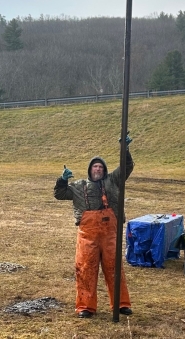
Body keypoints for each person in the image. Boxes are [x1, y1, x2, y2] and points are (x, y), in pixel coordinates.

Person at [53, 135, 134, 319]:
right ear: (90, 170)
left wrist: (125, 149)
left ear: (104, 170)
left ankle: (121, 304)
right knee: (85, 269)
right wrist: (62, 179)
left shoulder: (113, 181)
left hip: (110, 235)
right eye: (95, 166)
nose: (98, 169)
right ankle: (85, 307)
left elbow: (126, 167)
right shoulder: (78, 186)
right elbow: (59, 193)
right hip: (87, 236)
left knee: (115, 268)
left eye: (101, 167)